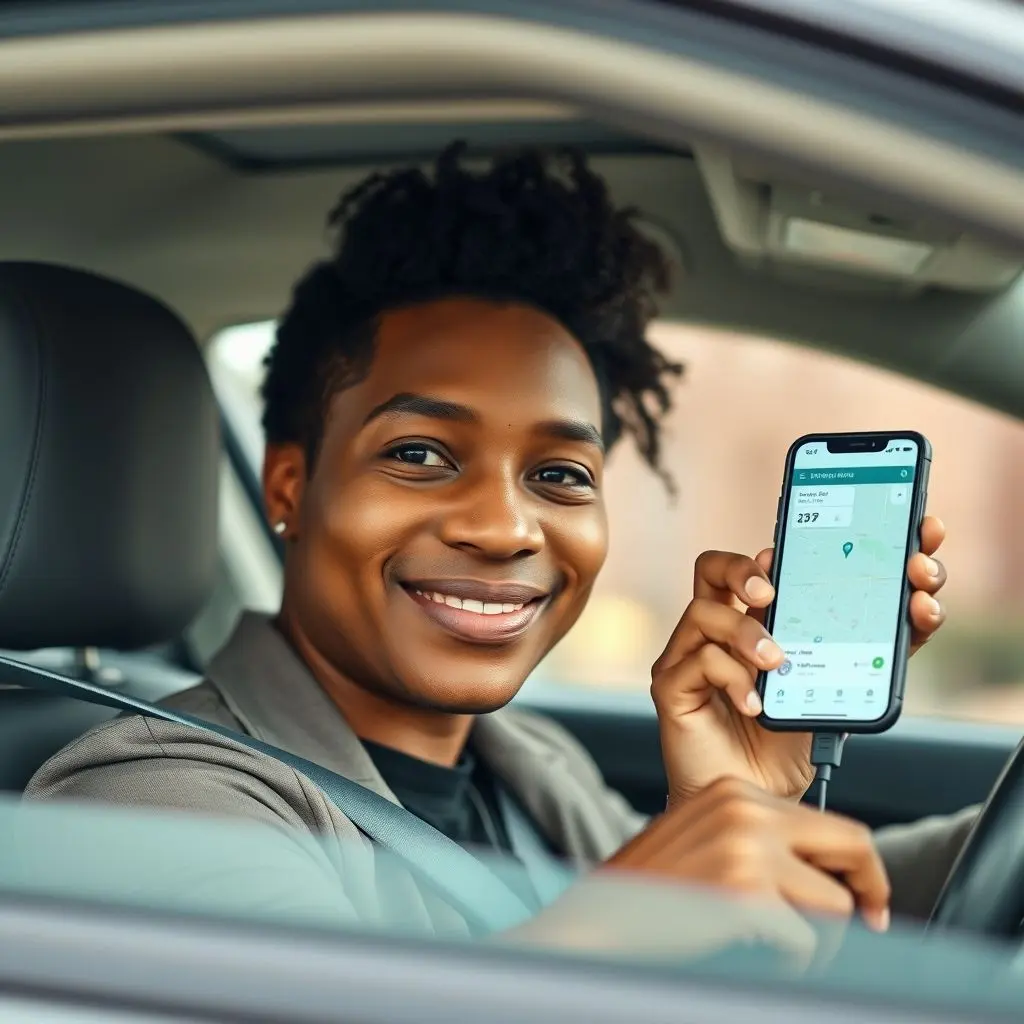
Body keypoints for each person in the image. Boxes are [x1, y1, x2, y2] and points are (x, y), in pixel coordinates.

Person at [25, 143, 975, 954]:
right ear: (289, 488)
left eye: (561, 474)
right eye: (419, 454)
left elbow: (854, 905)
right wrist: (611, 931)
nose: (506, 528)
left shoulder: (529, 764)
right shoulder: (147, 800)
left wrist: (749, 803)